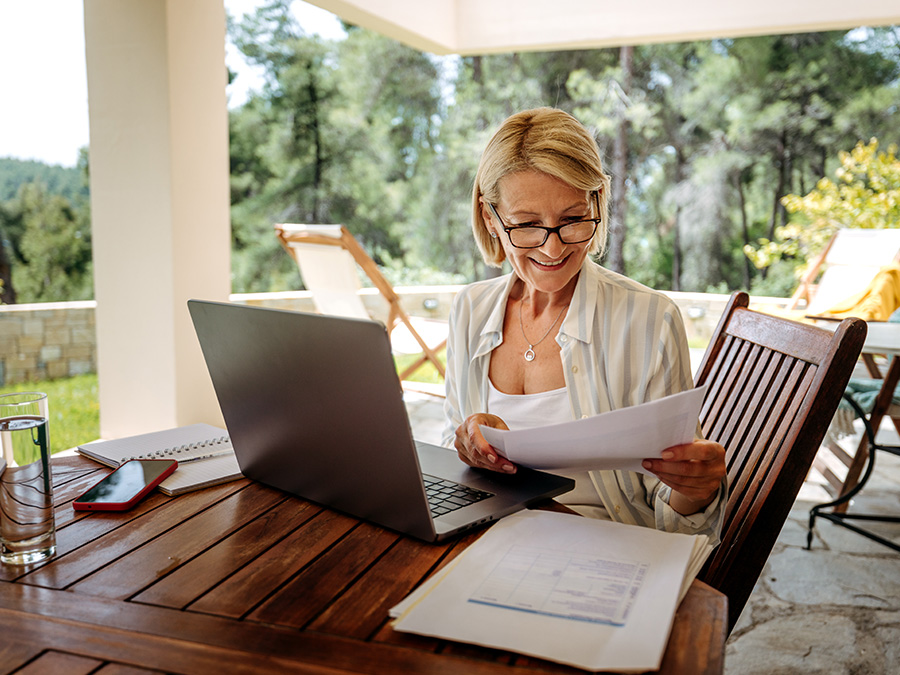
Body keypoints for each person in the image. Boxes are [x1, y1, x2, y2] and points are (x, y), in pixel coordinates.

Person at [443, 107, 727, 543]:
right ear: (490, 218)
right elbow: (449, 455)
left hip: (603, 551)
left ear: (596, 203)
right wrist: (467, 446)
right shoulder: (470, 310)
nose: (552, 248)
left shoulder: (648, 319)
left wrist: (696, 491)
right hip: (487, 541)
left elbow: (676, 522)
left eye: (573, 219)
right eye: (527, 225)